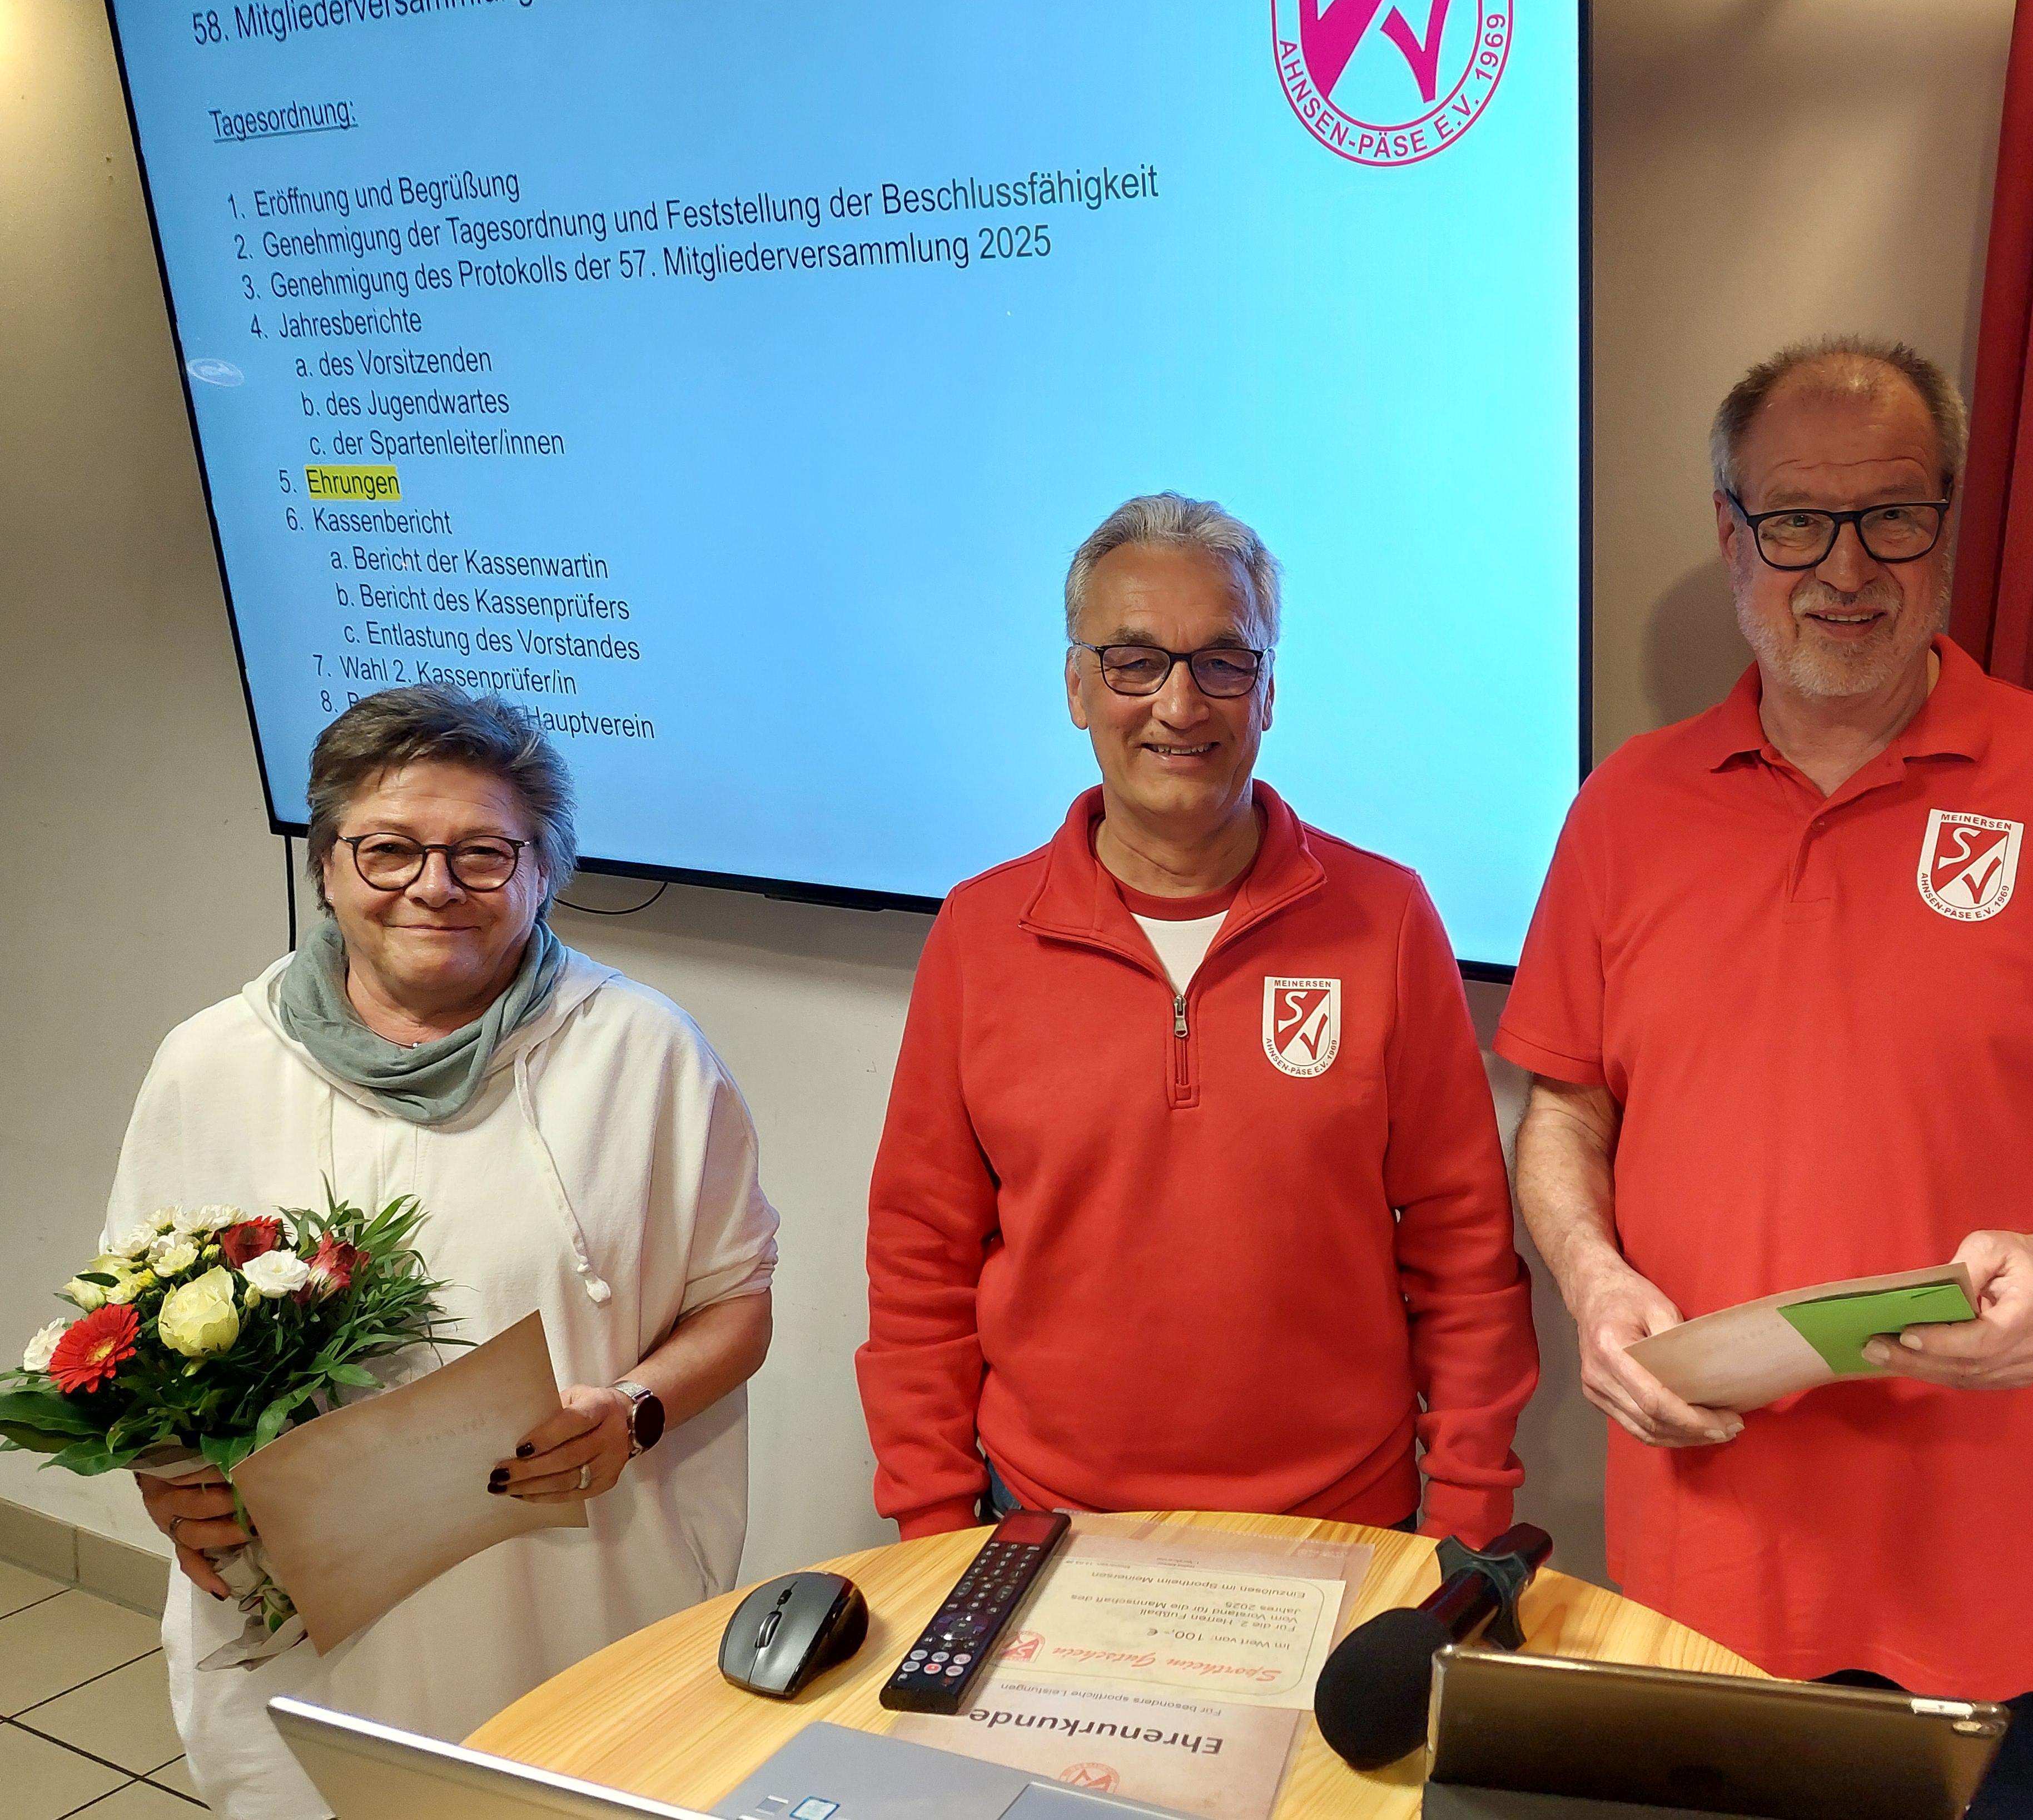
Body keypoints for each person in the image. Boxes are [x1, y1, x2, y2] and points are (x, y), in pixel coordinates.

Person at [1499, 339, 2033, 1818]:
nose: (1845, 568)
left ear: (1947, 522)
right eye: (1797, 520)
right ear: (1732, 532)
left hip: (1989, 1590)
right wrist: (1595, 1285)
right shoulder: (1625, 808)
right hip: (1700, 1575)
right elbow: (1567, 1111)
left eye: (1892, 516)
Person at [113, 685, 778, 1820]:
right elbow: (131, 1342)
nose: (433, 886)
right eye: (388, 850)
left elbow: (737, 1302)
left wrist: (634, 1410)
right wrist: (167, 1483)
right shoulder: (213, 1063)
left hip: (568, 1602)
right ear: (328, 867)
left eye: (482, 853)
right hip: (306, 1623)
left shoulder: (643, 1053)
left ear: (542, 871)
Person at [857, 492, 1537, 1541]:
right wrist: (937, 1532)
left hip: (1343, 1528)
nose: (1180, 705)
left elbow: (1464, 1256)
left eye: (1223, 662)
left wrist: (1468, 1531)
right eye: (1135, 662)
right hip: (1046, 1524)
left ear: (1268, 693)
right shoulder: (980, 934)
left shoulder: (1388, 920)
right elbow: (920, 1263)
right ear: (1077, 688)